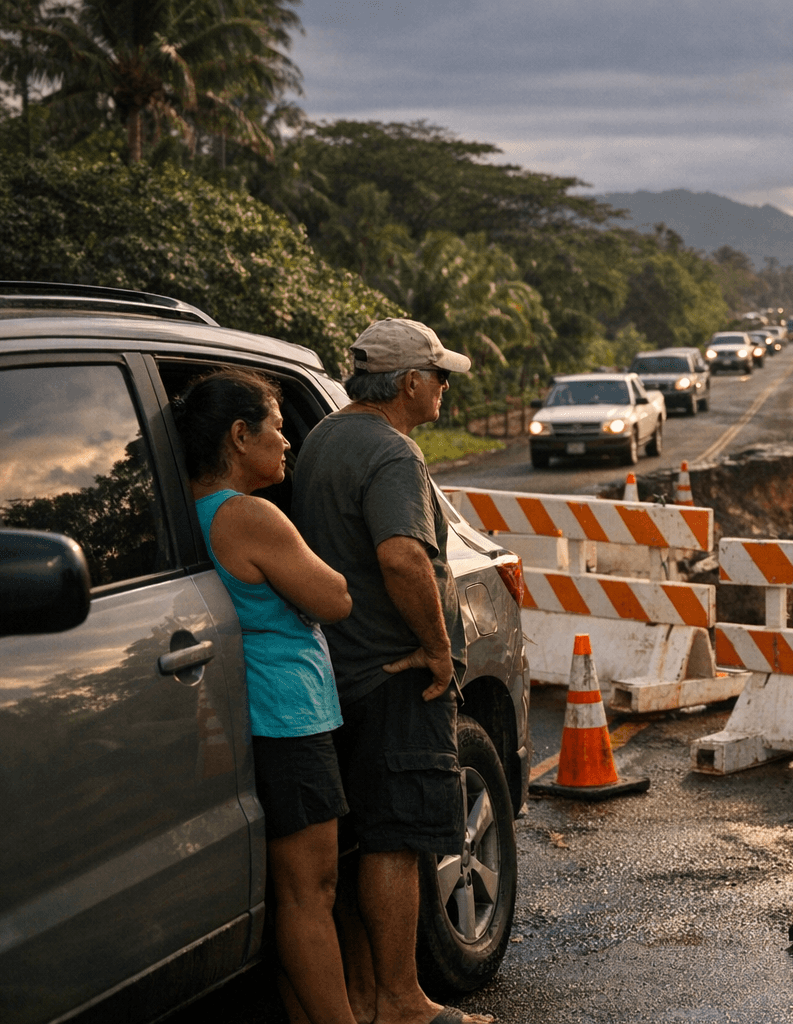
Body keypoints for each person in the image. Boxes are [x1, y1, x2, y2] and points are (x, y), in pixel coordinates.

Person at [293, 320, 491, 1024]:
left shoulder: (322, 438)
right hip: (392, 673)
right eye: (439, 376)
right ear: (409, 382)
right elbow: (403, 556)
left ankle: (365, 995)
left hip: (338, 670)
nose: (444, 388)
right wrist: (437, 648)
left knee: (359, 842)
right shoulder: (392, 451)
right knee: (397, 839)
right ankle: (403, 1001)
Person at [173, 369, 357, 1024]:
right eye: (277, 428)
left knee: (288, 893)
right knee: (311, 892)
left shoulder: (189, 513)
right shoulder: (248, 515)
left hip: (245, 715)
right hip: (289, 715)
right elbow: (334, 597)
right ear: (239, 434)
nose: (286, 442)